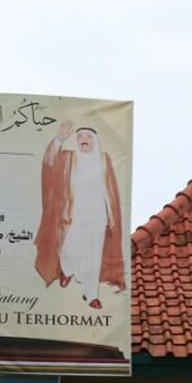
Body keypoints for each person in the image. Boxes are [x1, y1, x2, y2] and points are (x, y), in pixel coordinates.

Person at [34, 121, 125, 308]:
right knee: (68, 247)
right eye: (80, 136)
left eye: (88, 136)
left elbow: (110, 188)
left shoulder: (104, 159)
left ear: (95, 141)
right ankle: (67, 269)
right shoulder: (69, 158)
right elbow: (50, 161)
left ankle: (91, 295)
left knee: (93, 256)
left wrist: (111, 215)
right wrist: (59, 138)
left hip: (97, 216)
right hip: (74, 213)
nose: (84, 139)